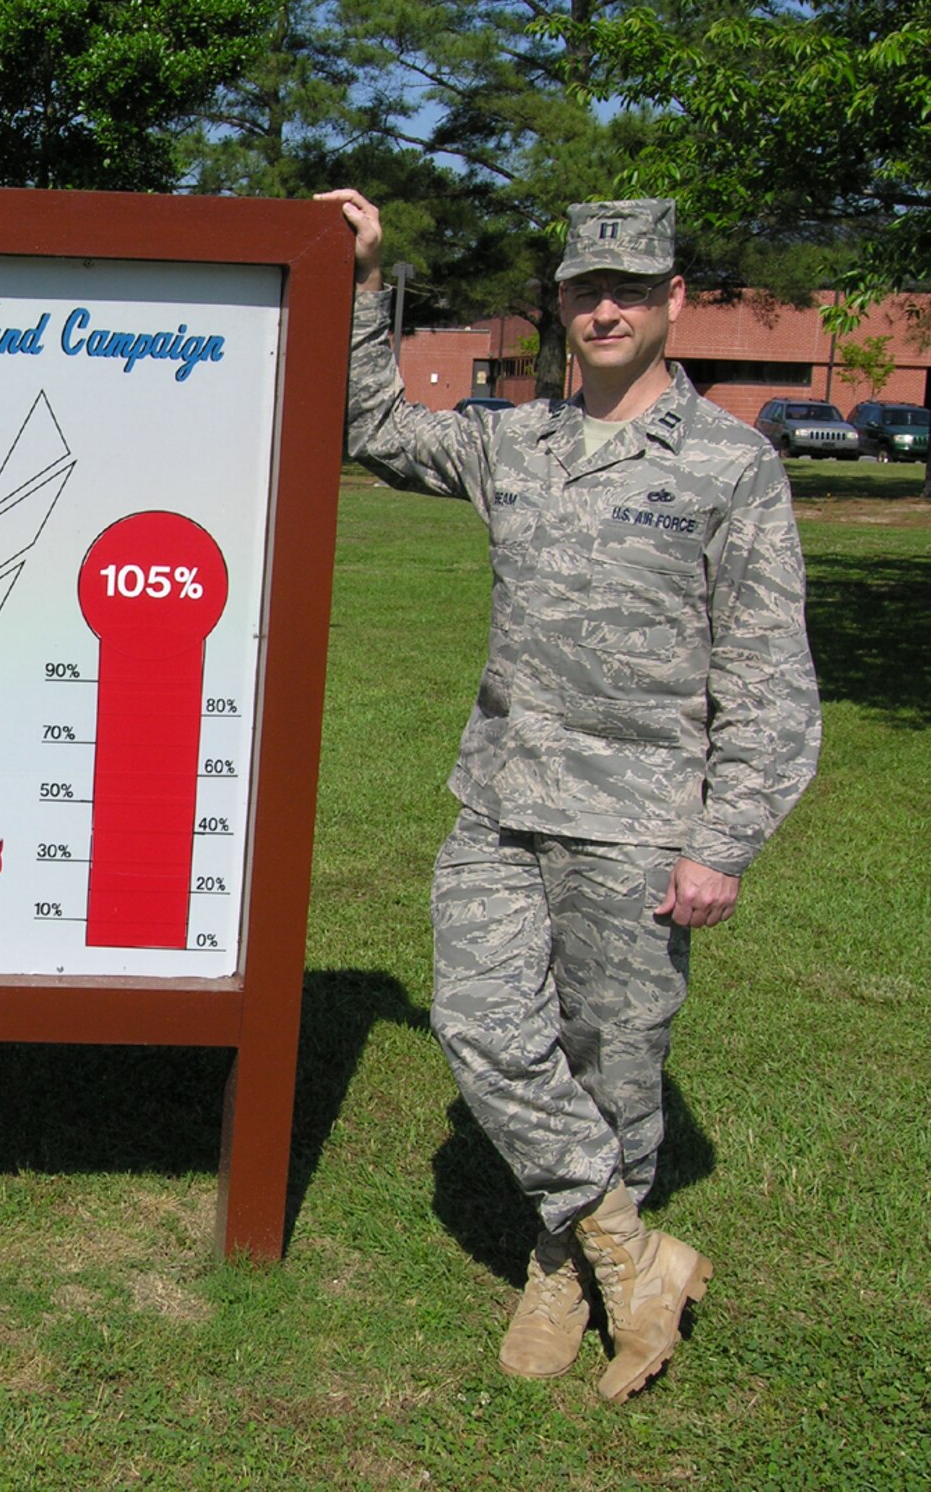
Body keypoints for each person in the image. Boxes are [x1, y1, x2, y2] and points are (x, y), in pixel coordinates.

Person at [316, 191, 820, 1401]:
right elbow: (372, 423)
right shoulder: (515, 441)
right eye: (585, 290)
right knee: (482, 1026)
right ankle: (627, 1251)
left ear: (672, 304)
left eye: (631, 291)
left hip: (643, 822)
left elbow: (768, 676)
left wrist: (723, 843)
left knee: (612, 1059)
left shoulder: (727, 465)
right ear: (557, 304)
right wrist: (362, 282)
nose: (605, 309)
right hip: (498, 799)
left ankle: (564, 1258)